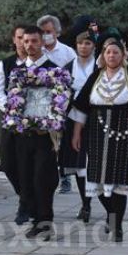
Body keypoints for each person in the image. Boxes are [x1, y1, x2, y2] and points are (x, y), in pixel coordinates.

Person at [70, 29, 128, 241]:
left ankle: (117, 226)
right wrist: (76, 133)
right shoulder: (96, 76)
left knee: (119, 182)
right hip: (95, 134)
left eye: (116, 53)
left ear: (122, 56)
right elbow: (81, 107)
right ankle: (112, 218)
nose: (112, 56)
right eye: (108, 52)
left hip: (122, 134)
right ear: (103, 55)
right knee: (97, 181)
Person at [9, 25, 69, 239]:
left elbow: (61, 101)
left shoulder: (55, 70)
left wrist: (52, 118)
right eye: (26, 42)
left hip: (45, 136)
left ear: (42, 42)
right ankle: (35, 219)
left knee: (42, 179)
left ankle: (46, 221)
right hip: (24, 134)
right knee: (25, 178)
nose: (30, 46)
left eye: (34, 41)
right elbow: (13, 102)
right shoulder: (18, 73)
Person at [0, 24, 30, 224]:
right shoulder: (5, 64)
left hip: (33, 122)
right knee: (7, 162)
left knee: (27, 164)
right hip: (11, 120)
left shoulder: (41, 64)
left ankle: (25, 204)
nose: (23, 42)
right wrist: (12, 107)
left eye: (27, 38)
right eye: (20, 37)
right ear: (14, 40)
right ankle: (25, 195)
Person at [58, 28, 97, 223]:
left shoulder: (100, 67)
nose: (84, 46)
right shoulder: (67, 68)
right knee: (79, 163)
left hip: (97, 119)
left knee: (95, 162)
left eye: (88, 43)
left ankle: (105, 202)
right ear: (76, 45)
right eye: (81, 43)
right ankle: (86, 204)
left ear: (93, 46)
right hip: (74, 120)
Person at [37, 14, 76, 194]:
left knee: (61, 141)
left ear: (57, 32)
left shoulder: (67, 53)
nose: (46, 35)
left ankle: (65, 177)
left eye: (49, 32)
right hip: (40, 103)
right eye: (42, 32)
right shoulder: (37, 52)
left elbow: (73, 78)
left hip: (63, 102)